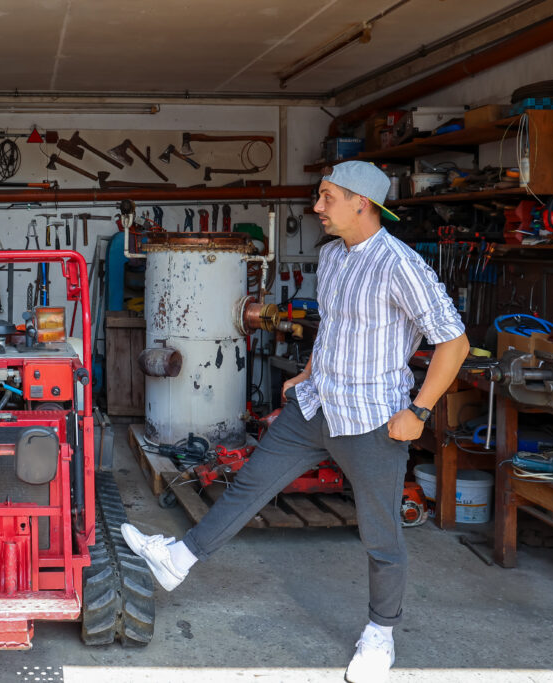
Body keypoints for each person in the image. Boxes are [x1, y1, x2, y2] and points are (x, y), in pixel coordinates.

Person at [122, 161, 469, 683]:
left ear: (362, 203)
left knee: (382, 536)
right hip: (314, 407)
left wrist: (418, 411)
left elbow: (455, 342)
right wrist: (306, 372)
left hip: (374, 420)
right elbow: (334, 327)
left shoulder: (401, 265)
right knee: (248, 488)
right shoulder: (331, 256)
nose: (316, 208)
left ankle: (380, 634)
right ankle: (180, 558)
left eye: (327, 197)